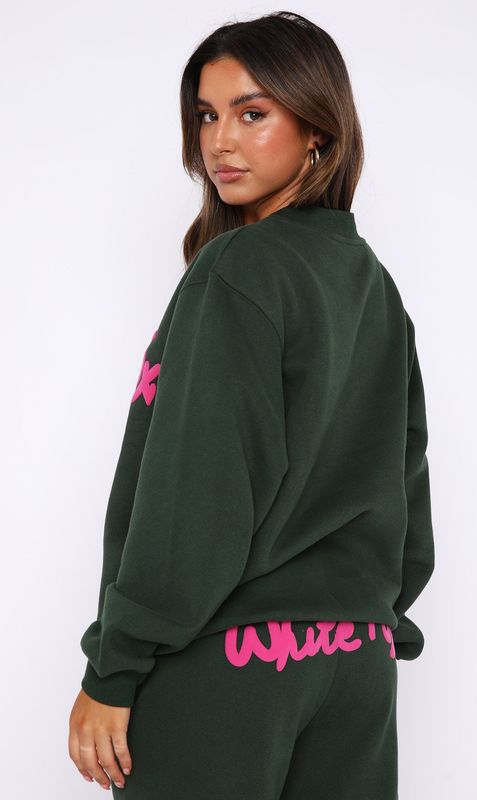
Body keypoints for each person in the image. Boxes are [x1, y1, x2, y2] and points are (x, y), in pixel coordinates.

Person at [68, 10, 435, 799]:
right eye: (206, 116)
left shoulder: (239, 270)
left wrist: (115, 665)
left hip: (233, 664)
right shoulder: (373, 287)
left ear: (316, 128)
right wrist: (368, 617)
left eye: (252, 113)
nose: (220, 142)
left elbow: (196, 487)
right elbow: (404, 485)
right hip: (356, 661)